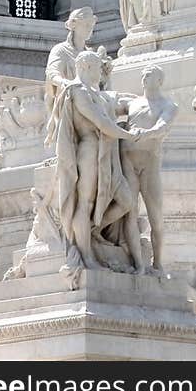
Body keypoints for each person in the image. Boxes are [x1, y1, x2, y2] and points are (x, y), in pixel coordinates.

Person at [50, 50, 140, 271]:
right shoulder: (77, 91)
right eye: (98, 68)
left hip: (108, 154)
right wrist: (128, 135)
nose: (101, 73)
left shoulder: (98, 94)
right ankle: (87, 257)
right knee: (85, 203)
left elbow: (120, 104)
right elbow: (100, 121)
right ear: (86, 66)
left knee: (126, 201)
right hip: (90, 151)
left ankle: (90, 229)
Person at [119, 65, 178, 273]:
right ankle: (138, 264)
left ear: (159, 81)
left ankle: (158, 262)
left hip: (149, 163)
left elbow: (162, 127)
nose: (144, 77)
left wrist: (144, 133)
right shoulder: (131, 103)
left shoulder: (168, 105)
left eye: (149, 75)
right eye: (143, 74)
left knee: (156, 216)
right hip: (128, 160)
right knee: (131, 212)